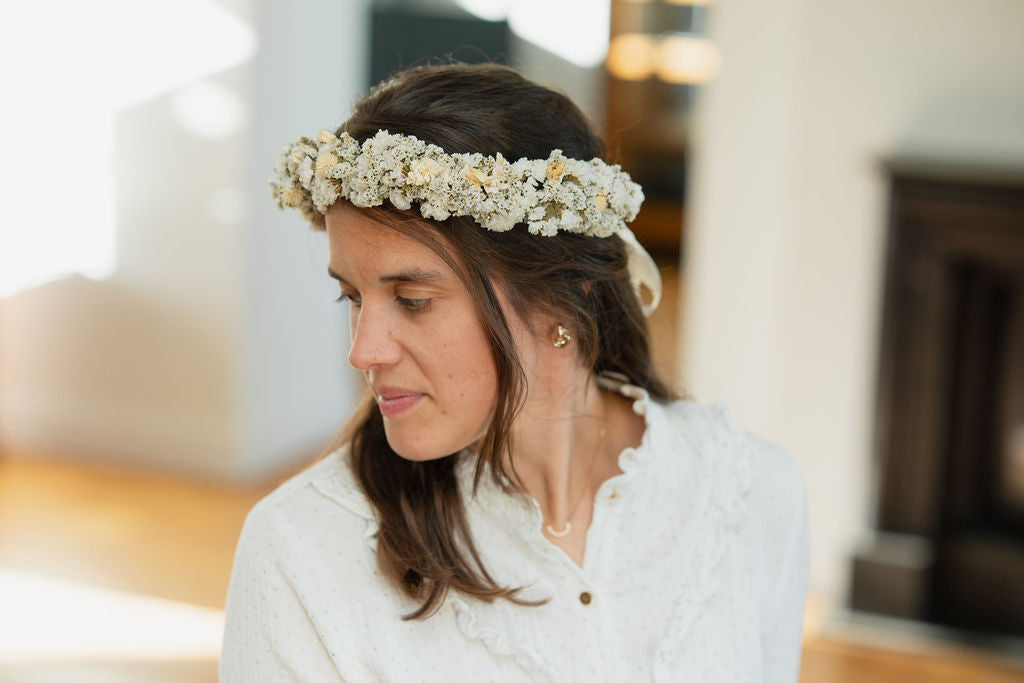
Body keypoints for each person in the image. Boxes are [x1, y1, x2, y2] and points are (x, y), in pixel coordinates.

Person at [221, 63, 809, 682]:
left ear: (563, 291)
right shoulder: (302, 550)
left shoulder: (752, 494)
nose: (364, 352)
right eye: (353, 298)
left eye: (413, 300)